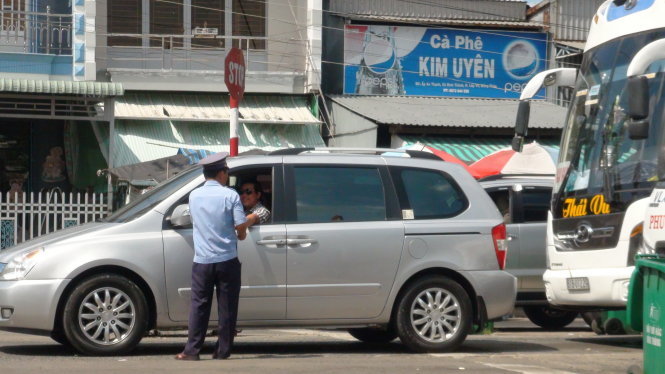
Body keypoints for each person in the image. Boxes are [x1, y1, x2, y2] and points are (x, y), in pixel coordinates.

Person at [175, 152, 248, 361]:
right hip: (227, 259)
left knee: (199, 306)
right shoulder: (230, 195)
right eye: (226, 172)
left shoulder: (194, 195)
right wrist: (241, 234)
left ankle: (191, 351)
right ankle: (222, 351)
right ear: (221, 173)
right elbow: (240, 226)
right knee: (227, 307)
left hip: (202, 261)